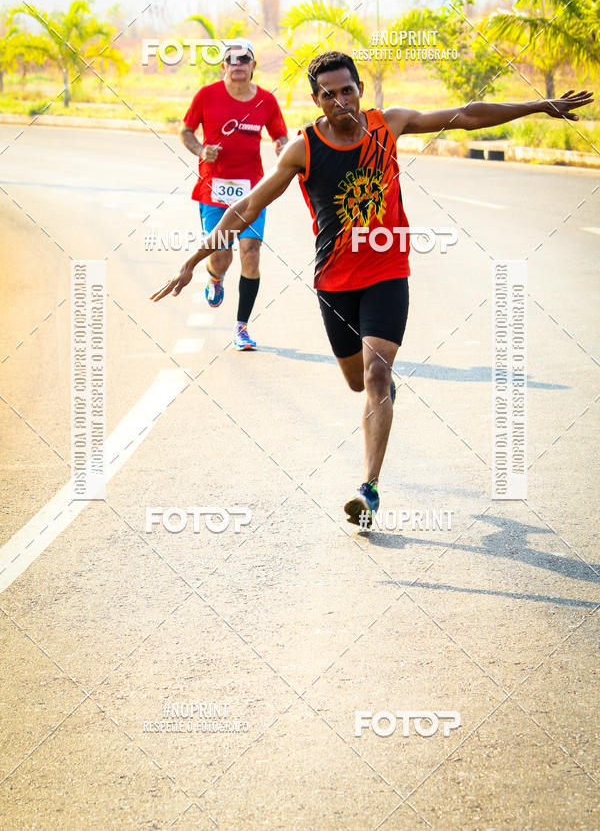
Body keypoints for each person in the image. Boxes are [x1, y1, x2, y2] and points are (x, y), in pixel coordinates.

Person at [153, 51, 593, 526]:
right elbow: (245, 208)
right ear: (316, 100)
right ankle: (378, 396)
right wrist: (193, 261)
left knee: (378, 374)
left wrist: (538, 106)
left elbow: (465, 115)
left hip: (387, 272)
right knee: (358, 381)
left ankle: (368, 489)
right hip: (334, 282)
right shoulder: (301, 148)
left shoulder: (390, 125)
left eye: (348, 90)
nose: (340, 100)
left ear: (360, 88)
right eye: (329, 94)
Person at [179, 37, 288, 350]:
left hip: (252, 192)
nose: (238, 64)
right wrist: (201, 150)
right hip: (213, 190)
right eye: (232, 59)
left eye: (244, 59)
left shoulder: (266, 101)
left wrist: (280, 146)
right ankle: (215, 277)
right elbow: (185, 131)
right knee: (222, 256)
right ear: (223, 65)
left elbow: (279, 135)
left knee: (251, 254)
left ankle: (241, 327)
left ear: (253, 66)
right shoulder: (207, 95)